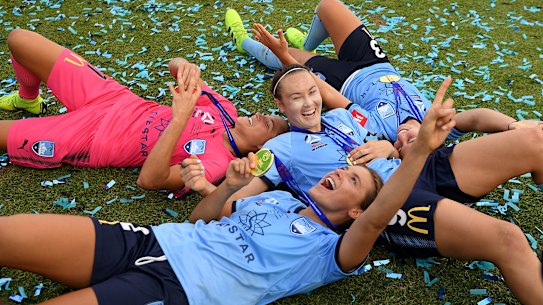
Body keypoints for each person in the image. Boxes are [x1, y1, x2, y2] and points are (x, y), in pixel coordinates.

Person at [0, 81, 455, 304]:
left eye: (354, 180)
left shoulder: (333, 251)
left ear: (356, 212)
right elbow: (201, 219)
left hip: (180, 289)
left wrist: (418, 155)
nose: (340, 173)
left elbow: (380, 218)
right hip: (151, 241)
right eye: (344, 171)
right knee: (9, 233)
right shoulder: (278, 196)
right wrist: (229, 188)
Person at [183, 58, 543, 303]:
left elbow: (394, 133)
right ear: (280, 105)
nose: (308, 104)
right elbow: (235, 203)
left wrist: (388, 144)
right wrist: (210, 189)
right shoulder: (279, 149)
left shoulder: (343, 117)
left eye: (311, 92)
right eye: (296, 98)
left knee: (535, 141)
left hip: (422, 165)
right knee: (507, 239)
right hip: (390, 201)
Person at [224, 4, 543, 157]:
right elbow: (476, 117)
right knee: (328, 7)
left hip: (342, 79)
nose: (403, 137)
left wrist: (288, 60)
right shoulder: (436, 128)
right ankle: (305, 44)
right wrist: (514, 125)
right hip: (377, 62)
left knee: (280, 53)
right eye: (412, 140)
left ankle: (242, 41)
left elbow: (333, 99)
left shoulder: (379, 131)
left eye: (401, 147)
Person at [0, 29, 288, 195]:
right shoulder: (224, 109)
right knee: (19, 39)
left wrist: (179, 118)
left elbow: (150, 181)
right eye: (268, 114)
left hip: (95, 139)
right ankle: (28, 100)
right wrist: (184, 65)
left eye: (270, 125)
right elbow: (174, 66)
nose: (262, 116)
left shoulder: (216, 163)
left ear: (262, 148)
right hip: (113, 98)